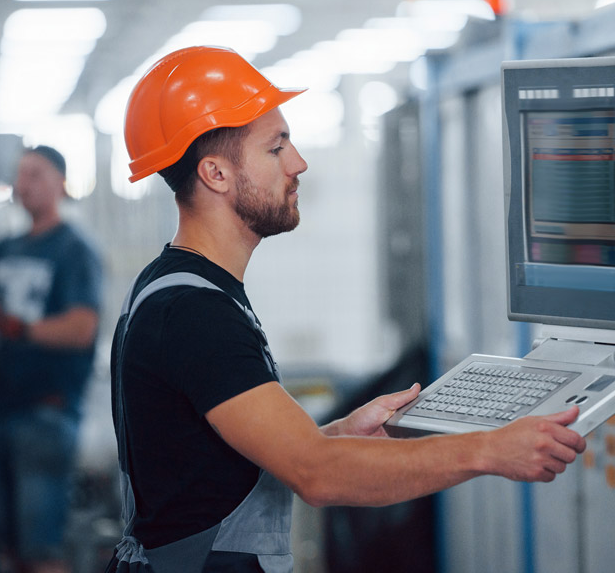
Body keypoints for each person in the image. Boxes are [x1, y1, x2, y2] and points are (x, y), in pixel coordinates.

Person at [107, 46, 586, 573]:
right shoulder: (194, 312)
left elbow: (216, 470)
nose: (299, 163)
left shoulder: (176, 287)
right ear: (216, 174)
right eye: (276, 147)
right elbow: (318, 476)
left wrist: (337, 436)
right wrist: (490, 451)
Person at [0, 145, 102, 573]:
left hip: (45, 414)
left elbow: (81, 327)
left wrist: (17, 328)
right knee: (6, 550)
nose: (23, 184)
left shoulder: (73, 251)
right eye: (20, 175)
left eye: (35, 174)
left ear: (60, 184)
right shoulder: (2, 251)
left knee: (41, 551)